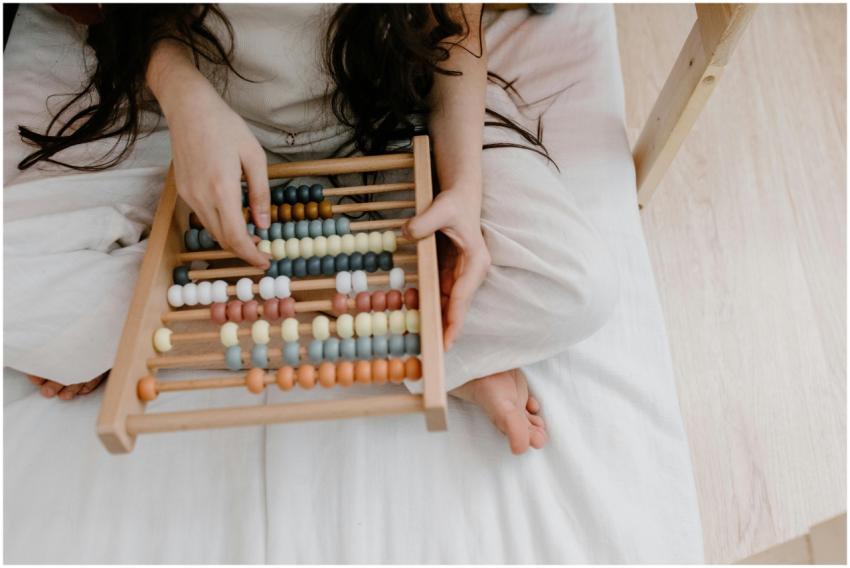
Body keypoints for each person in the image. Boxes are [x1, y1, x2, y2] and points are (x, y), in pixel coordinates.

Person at [18, 4, 618, 454]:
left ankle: (393, 336)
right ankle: (422, 338)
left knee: (574, 287)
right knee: (13, 298)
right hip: (188, 120)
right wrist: (182, 94)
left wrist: (462, 189)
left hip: (383, 106)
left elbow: (454, 27)